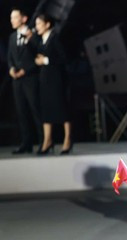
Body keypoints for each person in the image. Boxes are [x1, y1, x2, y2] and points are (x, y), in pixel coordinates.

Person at [33, 14, 71, 154]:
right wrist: (39, 61)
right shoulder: (40, 40)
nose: (37, 27)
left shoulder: (55, 38)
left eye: (39, 24)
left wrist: (47, 60)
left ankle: (67, 139)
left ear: (47, 24)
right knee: (46, 109)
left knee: (61, 108)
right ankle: (47, 141)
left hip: (56, 79)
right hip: (44, 79)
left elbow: (63, 58)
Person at [8, 8, 41, 154]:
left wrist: (25, 70)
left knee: (35, 110)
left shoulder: (33, 34)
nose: (12, 20)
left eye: (15, 17)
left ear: (24, 18)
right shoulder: (11, 37)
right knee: (21, 112)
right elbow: (10, 57)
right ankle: (26, 143)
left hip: (30, 78)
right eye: (11, 18)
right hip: (17, 81)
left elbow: (38, 55)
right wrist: (11, 69)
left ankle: (44, 142)